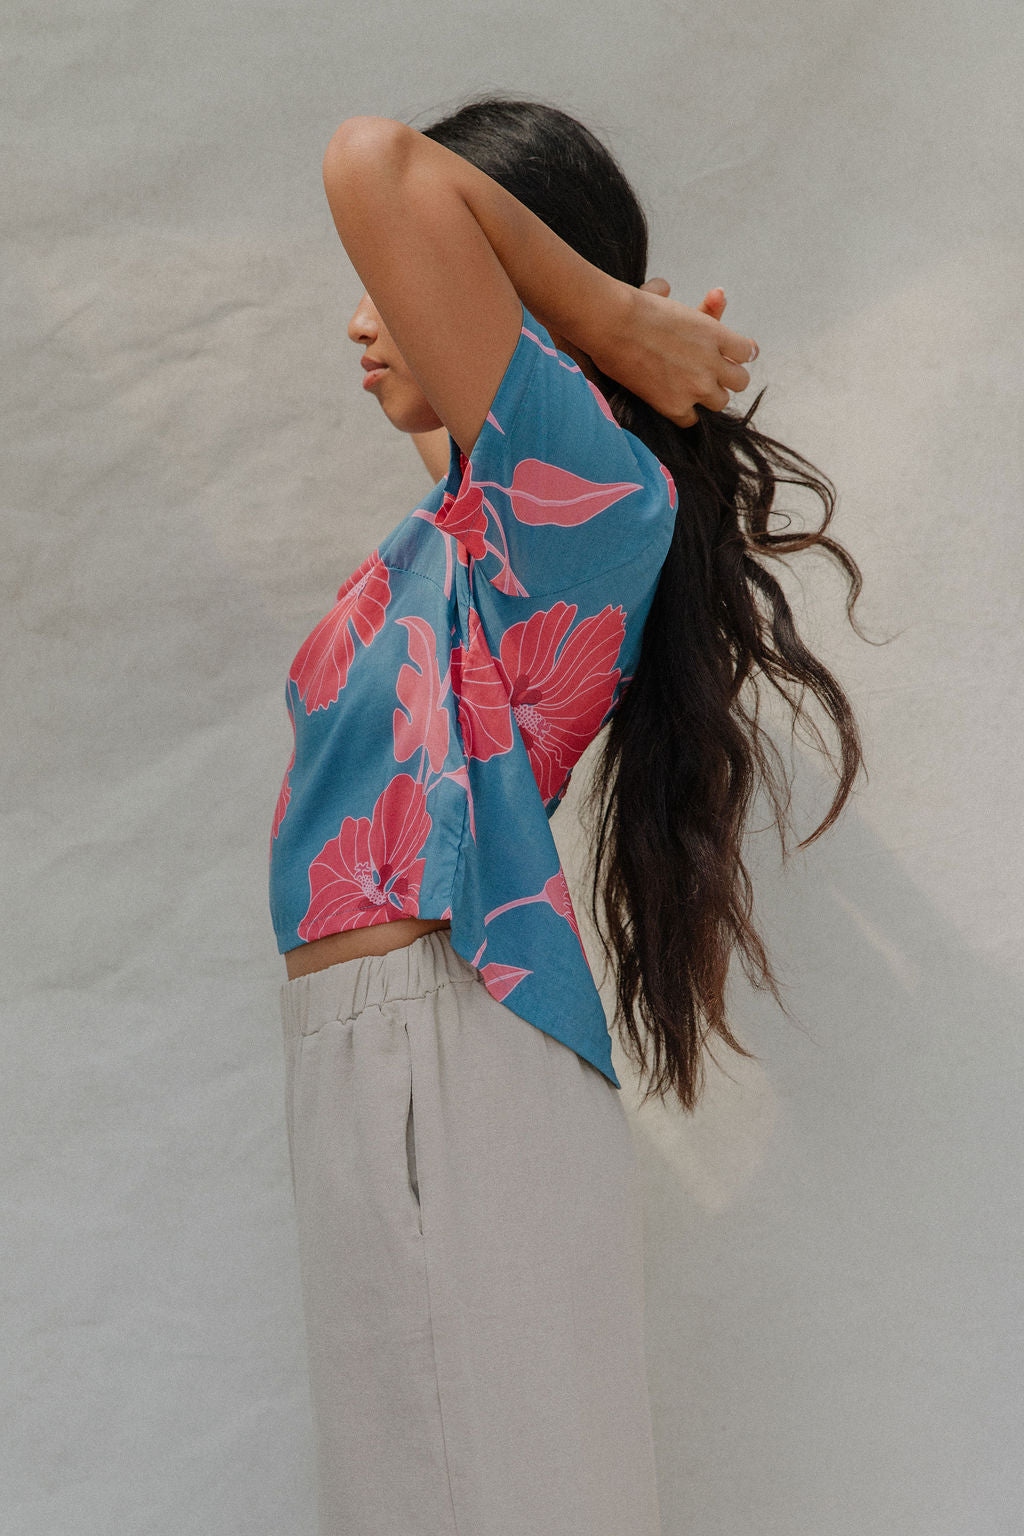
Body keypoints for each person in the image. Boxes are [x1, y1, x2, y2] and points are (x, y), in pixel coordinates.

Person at [270, 94, 865, 1536]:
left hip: (438, 1024)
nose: (365, 316)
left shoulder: (591, 488)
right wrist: (601, 323)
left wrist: (605, 317)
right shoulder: (493, 505)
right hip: (395, 1042)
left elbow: (372, 161)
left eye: (401, 279)